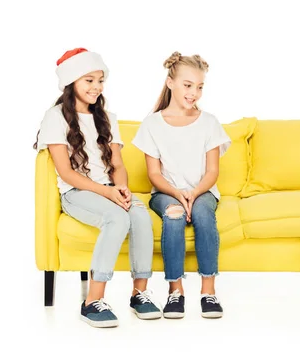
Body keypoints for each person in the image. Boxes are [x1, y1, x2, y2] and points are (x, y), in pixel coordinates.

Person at [34, 48, 161, 328]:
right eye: (88, 80)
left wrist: (123, 189)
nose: (96, 87)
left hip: (109, 189)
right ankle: (92, 301)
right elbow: (65, 171)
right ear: (71, 82)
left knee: (139, 215)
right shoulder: (54, 117)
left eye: (100, 80)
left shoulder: (107, 117)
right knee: (116, 217)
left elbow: (117, 164)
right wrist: (108, 194)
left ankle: (139, 294)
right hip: (77, 193)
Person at [132, 52, 231, 319]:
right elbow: (154, 174)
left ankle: (208, 291)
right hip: (166, 193)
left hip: (203, 191)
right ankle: (175, 291)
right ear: (170, 83)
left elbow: (212, 171)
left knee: (202, 213)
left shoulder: (209, 122)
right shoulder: (152, 124)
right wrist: (177, 194)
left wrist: (194, 193)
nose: (194, 93)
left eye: (199, 87)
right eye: (188, 85)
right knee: (174, 215)